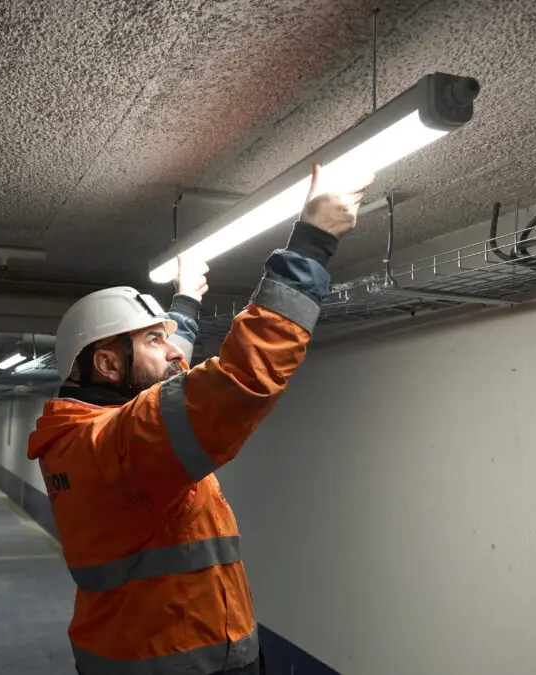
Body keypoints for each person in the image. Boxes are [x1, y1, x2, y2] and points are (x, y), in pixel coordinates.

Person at [27, 163, 367, 674]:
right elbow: (236, 382)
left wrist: (183, 303)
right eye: (153, 340)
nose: (172, 353)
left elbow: (164, 383)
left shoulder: (81, 439)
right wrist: (312, 242)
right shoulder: (118, 443)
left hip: (143, 655)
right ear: (107, 364)